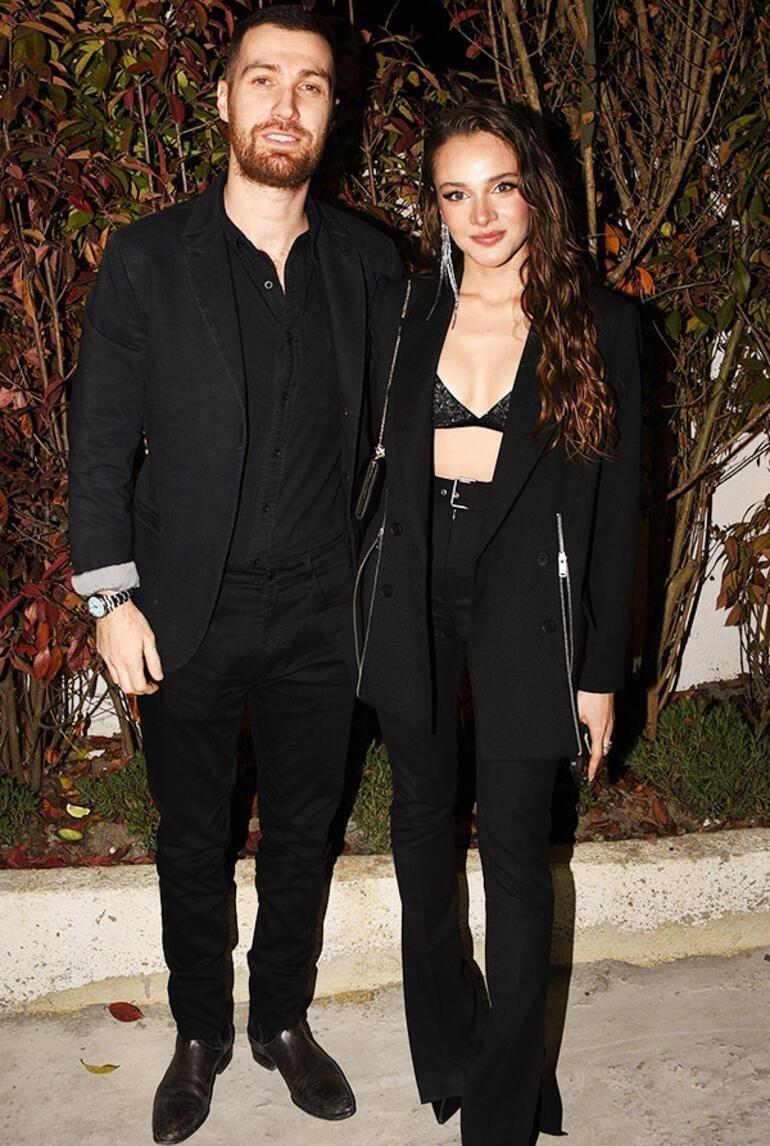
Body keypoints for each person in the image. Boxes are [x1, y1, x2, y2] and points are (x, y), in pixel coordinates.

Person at [67, 7, 400, 1143]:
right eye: (262, 79)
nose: (284, 104)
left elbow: (400, 430)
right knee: (191, 838)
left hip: (322, 606)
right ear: (224, 100)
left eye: (309, 84)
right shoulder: (148, 258)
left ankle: (282, 1021)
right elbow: (99, 441)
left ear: (332, 111)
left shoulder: (369, 264)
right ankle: (201, 1032)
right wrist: (110, 598)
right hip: (182, 605)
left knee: (306, 830)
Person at [354, 98, 642, 1145]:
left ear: (535, 192)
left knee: (518, 852)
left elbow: (616, 513)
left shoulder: (598, 324)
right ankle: (451, 1047)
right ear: (434, 207)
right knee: (421, 826)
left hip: (528, 598)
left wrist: (599, 671)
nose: (480, 214)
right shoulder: (404, 316)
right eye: (455, 193)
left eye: (501, 187)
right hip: (412, 585)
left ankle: (505, 1108)